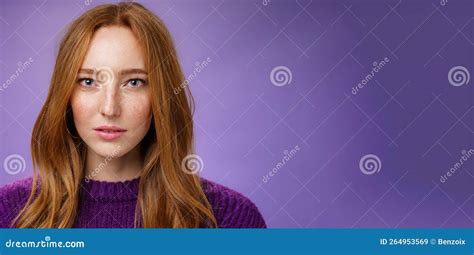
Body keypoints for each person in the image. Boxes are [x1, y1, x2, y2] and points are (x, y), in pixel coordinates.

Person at [0, 2, 266, 228]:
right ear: (65, 94)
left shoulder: (229, 220)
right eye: (89, 82)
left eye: (134, 82)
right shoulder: (10, 213)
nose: (110, 108)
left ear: (162, 95)